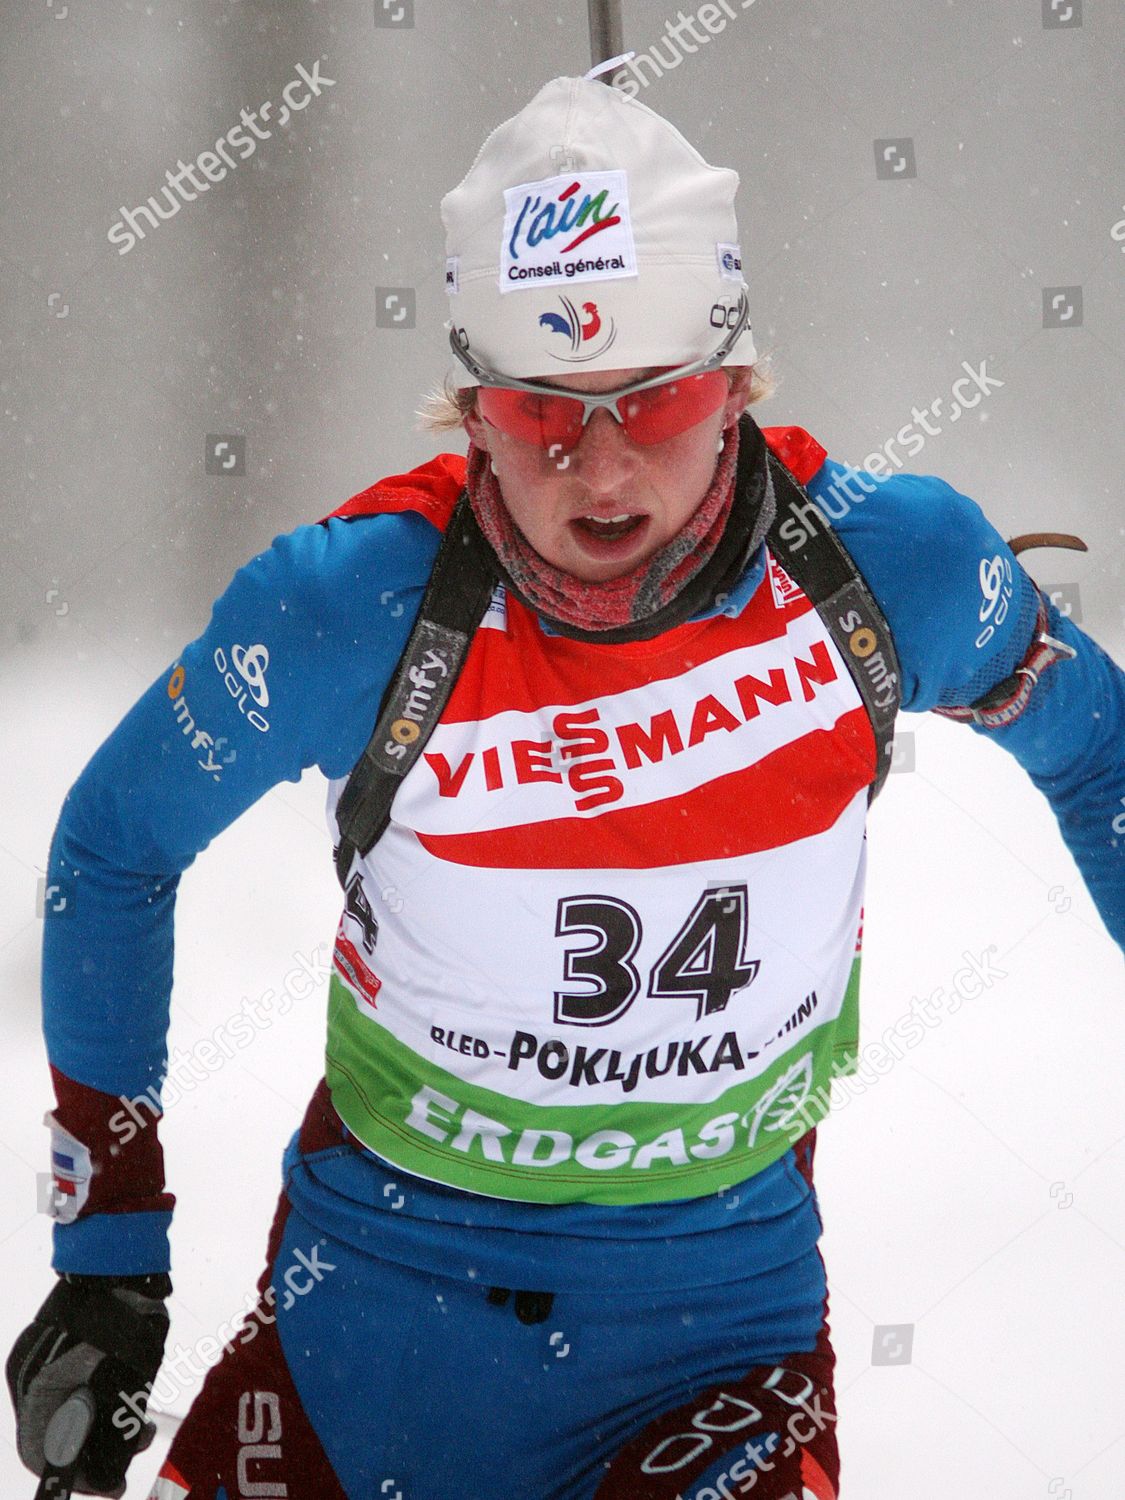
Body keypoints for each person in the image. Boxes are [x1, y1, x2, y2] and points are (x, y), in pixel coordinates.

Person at [8, 71, 1123, 1500]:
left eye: (649, 402)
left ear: (732, 385)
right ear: (469, 407)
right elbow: (111, 849)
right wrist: (109, 1261)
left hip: (716, 1343)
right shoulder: (350, 610)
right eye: (542, 410)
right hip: (368, 1332)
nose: (597, 469)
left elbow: (1098, 747)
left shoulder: (882, 573)